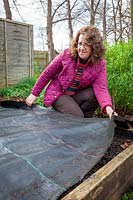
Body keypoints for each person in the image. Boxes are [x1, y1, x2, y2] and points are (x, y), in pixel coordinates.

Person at [26, 25, 117, 119]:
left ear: (94, 47)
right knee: (77, 117)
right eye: (80, 43)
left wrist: (107, 107)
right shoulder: (66, 55)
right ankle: (73, 116)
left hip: (75, 96)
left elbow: (101, 87)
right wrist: (34, 94)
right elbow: (47, 73)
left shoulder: (99, 64)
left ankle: (84, 120)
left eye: (86, 44)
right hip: (59, 94)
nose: (81, 48)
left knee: (93, 94)